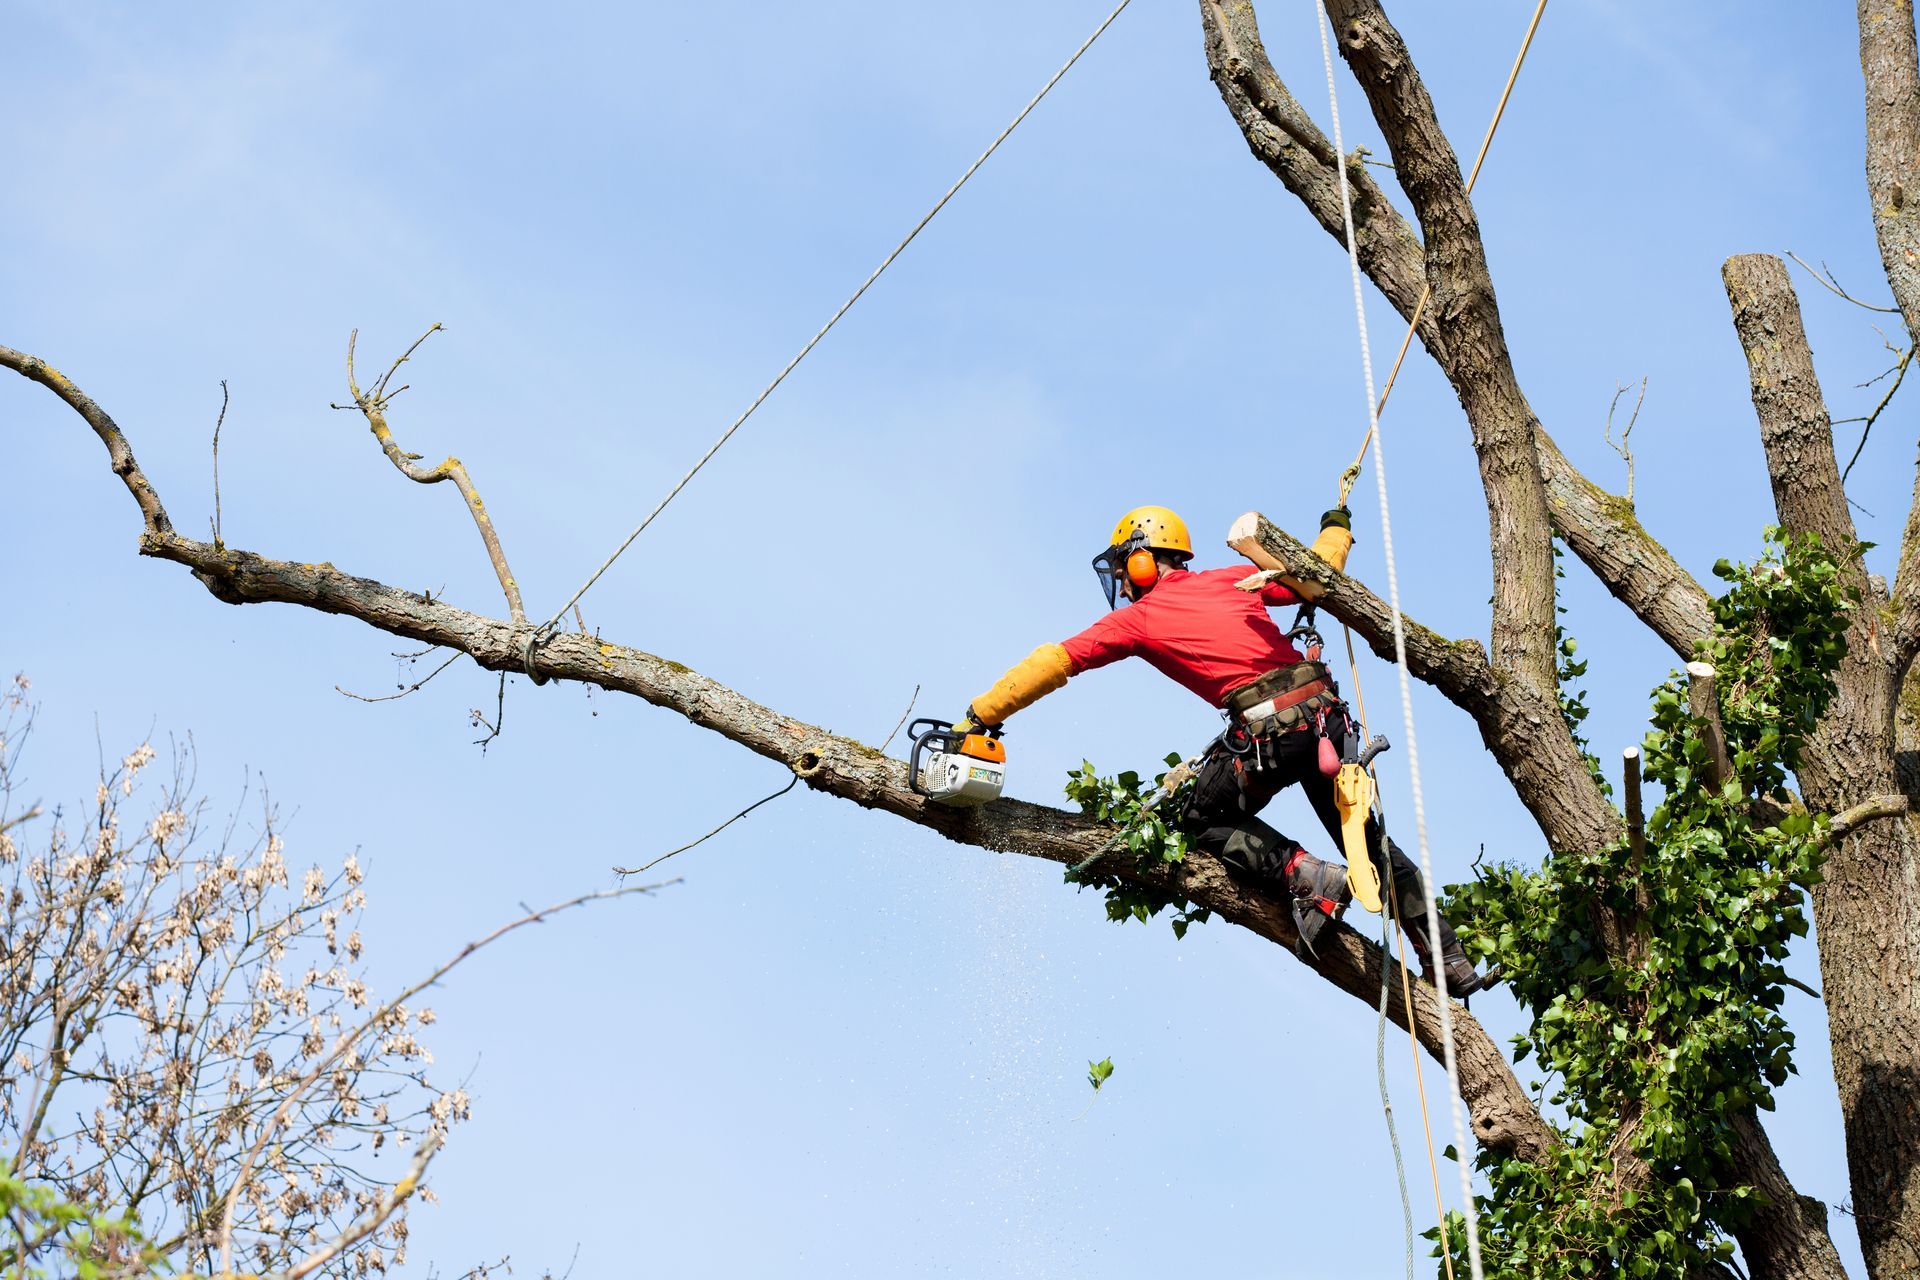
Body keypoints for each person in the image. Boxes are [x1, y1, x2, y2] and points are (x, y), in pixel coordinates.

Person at [957, 504, 1498, 995]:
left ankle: (1305, 875)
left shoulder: (1139, 618)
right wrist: (1337, 527)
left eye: (1125, 573)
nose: (1123, 589)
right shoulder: (1236, 577)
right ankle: (1447, 956)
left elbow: (1057, 661)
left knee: (1196, 816)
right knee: (1367, 839)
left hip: (1274, 734)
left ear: (1143, 562)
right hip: (1327, 724)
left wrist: (982, 713)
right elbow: (1318, 573)